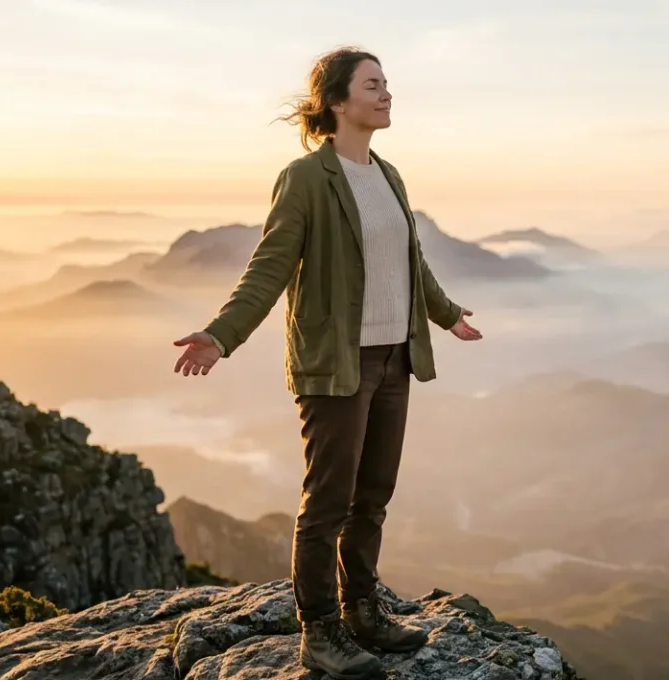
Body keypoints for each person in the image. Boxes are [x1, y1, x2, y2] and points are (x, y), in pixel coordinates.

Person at [171, 46, 482, 679]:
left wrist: (445, 314)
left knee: (374, 496)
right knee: (328, 503)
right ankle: (320, 632)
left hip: (395, 357)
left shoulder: (389, 175)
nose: (388, 93)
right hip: (337, 366)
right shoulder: (307, 178)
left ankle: (363, 611)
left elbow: (410, 261)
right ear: (338, 101)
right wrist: (221, 335)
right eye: (374, 84)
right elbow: (270, 265)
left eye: (387, 83)